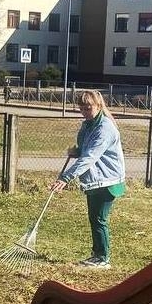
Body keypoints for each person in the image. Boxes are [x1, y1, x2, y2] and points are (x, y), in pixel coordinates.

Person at [50, 89, 125, 269]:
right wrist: (77, 151)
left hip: (107, 179)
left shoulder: (105, 128)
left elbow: (91, 156)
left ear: (98, 106)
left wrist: (66, 178)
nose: (85, 112)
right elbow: (85, 150)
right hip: (95, 178)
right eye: (82, 108)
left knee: (99, 219)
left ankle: (103, 258)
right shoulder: (88, 124)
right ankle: (97, 254)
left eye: (88, 108)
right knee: (94, 218)